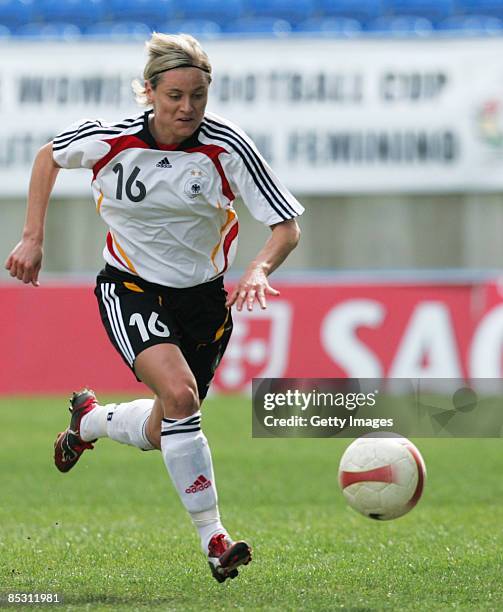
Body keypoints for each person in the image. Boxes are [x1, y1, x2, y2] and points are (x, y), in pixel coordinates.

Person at [5, 32, 303, 583]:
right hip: (130, 287)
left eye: (198, 96)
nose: (187, 107)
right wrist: (32, 237)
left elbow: (285, 226)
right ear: (149, 92)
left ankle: (89, 421)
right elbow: (49, 156)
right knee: (180, 396)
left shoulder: (227, 149)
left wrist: (259, 268)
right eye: (174, 96)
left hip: (205, 302)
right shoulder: (110, 139)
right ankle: (214, 539)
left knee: (172, 424)